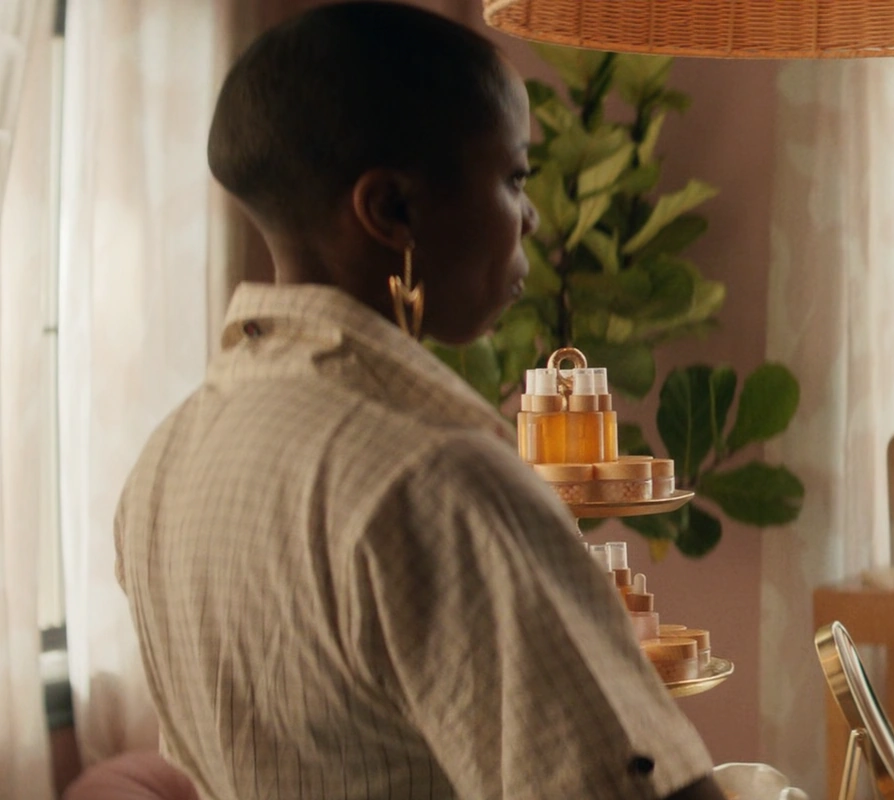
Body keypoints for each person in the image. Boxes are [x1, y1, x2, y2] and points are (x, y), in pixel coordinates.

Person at [114, 4, 725, 798]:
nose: (531, 218)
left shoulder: (163, 463)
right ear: (392, 209)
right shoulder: (434, 476)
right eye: (513, 178)